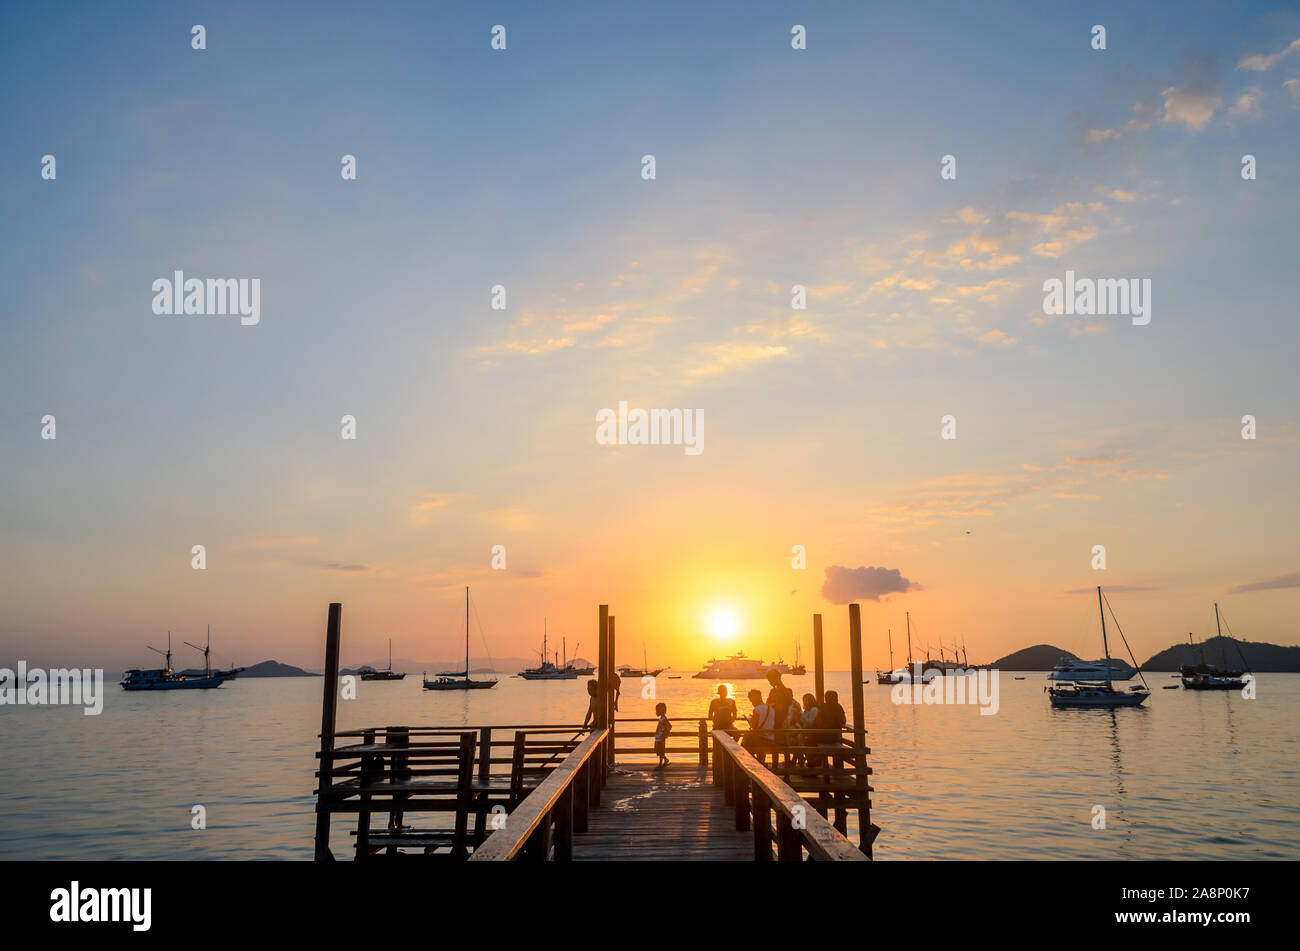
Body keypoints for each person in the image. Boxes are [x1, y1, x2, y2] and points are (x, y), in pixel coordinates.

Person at [741, 688, 775, 764]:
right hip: (771, 740)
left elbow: (754, 727)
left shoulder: (757, 709)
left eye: (751, 700)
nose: (752, 703)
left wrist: (750, 720)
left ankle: (758, 763)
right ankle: (761, 762)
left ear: (755, 699)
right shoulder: (771, 708)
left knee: (743, 747)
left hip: (761, 740)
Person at [653, 702, 672, 769]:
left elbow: (669, 726)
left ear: (661, 711)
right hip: (658, 737)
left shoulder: (664, 719)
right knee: (658, 751)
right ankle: (665, 760)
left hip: (661, 738)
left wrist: (665, 733)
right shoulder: (661, 718)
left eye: (657, 710)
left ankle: (660, 764)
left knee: (661, 751)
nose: (656, 712)